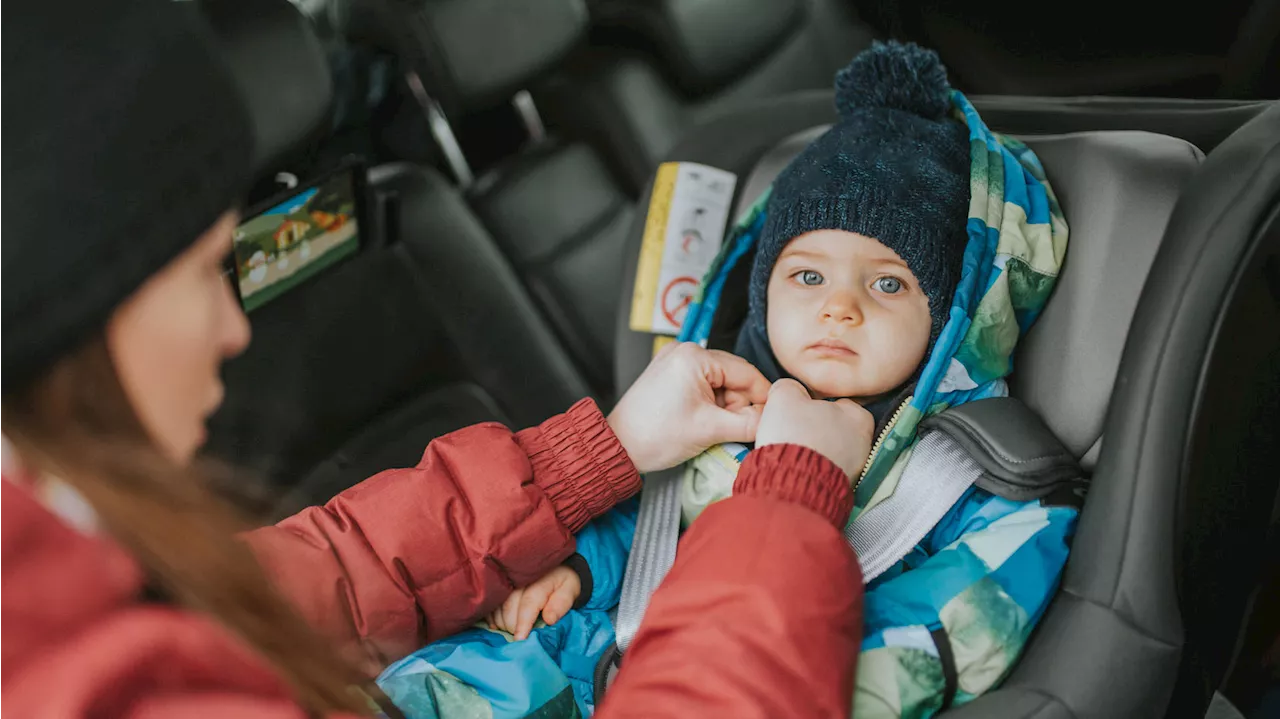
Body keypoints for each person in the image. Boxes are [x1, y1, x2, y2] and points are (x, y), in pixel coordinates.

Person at [0, 2, 872, 718]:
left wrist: (592, 455)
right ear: (79, 316)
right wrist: (785, 504)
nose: (235, 327)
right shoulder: (101, 683)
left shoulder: (68, 575)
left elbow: (311, 583)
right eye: (203, 274)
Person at [414, 42, 1079, 719]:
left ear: (951, 318)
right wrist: (582, 569)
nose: (838, 307)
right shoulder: (721, 413)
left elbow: (948, 627)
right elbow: (648, 518)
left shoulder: (978, 482)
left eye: (887, 283)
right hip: (605, 656)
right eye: (808, 276)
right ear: (761, 294)